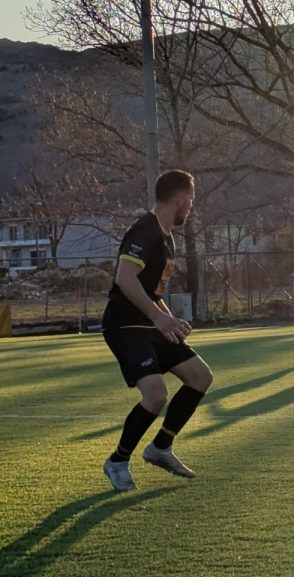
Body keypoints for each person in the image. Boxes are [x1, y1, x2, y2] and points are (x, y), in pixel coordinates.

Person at [101, 170, 213, 492]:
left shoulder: (168, 239)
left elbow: (152, 294)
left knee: (200, 376)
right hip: (125, 325)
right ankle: (118, 461)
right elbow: (125, 278)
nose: (191, 206)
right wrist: (159, 319)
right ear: (180, 198)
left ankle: (161, 448)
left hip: (149, 323)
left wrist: (170, 320)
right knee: (155, 394)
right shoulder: (144, 230)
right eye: (190, 200)